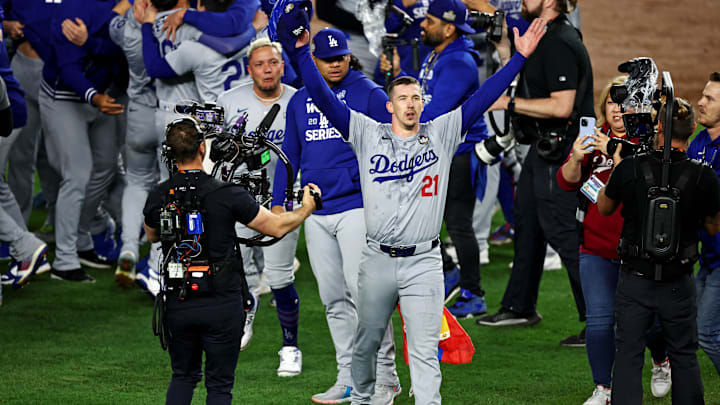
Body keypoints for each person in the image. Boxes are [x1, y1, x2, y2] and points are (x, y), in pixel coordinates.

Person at [274, 3, 545, 401]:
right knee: (366, 346)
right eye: (403, 98)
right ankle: (369, 397)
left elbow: (483, 97)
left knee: (423, 352)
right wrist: (299, 54)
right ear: (390, 105)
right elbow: (323, 98)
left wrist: (519, 58)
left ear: (423, 101)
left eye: (417, 97)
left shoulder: (443, 131)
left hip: (423, 262)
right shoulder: (365, 132)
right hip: (378, 259)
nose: (411, 104)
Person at [143, 117, 320, 404]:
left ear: (170, 153)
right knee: (220, 385)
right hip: (222, 302)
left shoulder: (158, 195)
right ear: (203, 148)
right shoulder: (226, 193)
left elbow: (152, 235)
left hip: (179, 301)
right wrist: (306, 209)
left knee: (183, 377)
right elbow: (274, 227)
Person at [271, 28, 401, 402]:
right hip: (316, 212)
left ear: (349, 56)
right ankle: (348, 377)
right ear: (313, 60)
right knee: (333, 299)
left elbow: (394, 146)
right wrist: (280, 202)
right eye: (327, 59)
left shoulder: (369, 93)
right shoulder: (300, 100)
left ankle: (385, 378)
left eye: (340, 56)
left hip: (358, 207)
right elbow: (288, 154)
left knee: (366, 297)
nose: (335, 63)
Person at [476, 0, 591, 347]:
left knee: (566, 234)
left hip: (562, 154)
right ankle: (519, 306)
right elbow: (532, 84)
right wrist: (504, 52)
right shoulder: (542, 35)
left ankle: (603, 320)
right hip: (544, 149)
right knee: (527, 223)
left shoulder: (559, 41)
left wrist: (506, 104)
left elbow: (561, 105)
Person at [597, 98, 720, 405]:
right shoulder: (704, 176)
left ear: (659, 128)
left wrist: (618, 167)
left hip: (634, 281)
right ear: (691, 130)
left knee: (628, 355)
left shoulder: (631, 167)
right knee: (683, 355)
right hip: (679, 282)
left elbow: (604, 207)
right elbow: (714, 227)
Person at [557, 75, 670, 404]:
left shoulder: (652, 146)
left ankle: (661, 361)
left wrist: (618, 154)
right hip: (595, 248)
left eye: (627, 103)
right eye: (612, 102)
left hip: (640, 251)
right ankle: (603, 389)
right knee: (600, 322)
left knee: (648, 322)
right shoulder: (592, 140)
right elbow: (566, 183)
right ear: (603, 108)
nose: (618, 109)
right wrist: (577, 158)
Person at [214, 37, 305, 377]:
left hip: (283, 202)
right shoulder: (229, 101)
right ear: (249, 69)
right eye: (260, 64)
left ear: (283, 66)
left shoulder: (299, 101)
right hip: (239, 199)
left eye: (273, 63)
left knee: (281, 276)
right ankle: (246, 309)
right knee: (235, 267)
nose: (267, 70)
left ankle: (290, 347)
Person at [40, 0, 125, 283]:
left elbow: (123, 51)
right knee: (76, 175)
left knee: (105, 167)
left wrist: (91, 42)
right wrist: (93, 96)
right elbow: (68, 67)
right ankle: (64, 261)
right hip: (65, 96)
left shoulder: (129, 6)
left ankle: (80, 238)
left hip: (102, 94)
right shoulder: (72, 8)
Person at [688, 71, 720, 375]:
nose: (700, 102)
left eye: (709, 98)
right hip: (709, 259)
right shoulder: (697, 142)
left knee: (707, 333)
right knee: (689, 330)